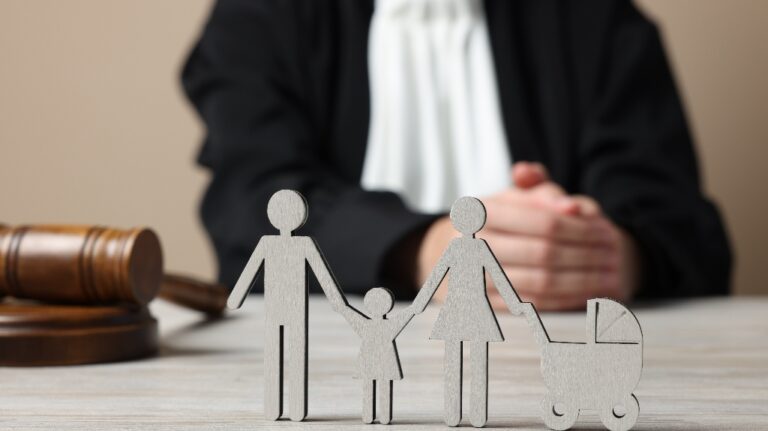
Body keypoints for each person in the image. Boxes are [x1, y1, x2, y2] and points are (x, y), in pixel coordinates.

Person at [182, 0, 732, 310]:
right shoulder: (257, 18)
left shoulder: (602, 23)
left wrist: (604, 254)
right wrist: (425, 252)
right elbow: (250, 209)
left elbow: (684, 229)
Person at [227, 190, 345, 422]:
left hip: (295, 309)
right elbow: (250, 271)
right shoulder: (268, 244)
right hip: (276, 309)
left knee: (294, 355)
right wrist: (236, 297)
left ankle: (296, 407)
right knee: (275, 357)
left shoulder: (304, 244)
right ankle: (276, 407)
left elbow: (323, 275)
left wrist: (337, 300)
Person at [412, 196, 526, 427]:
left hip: (475, 309)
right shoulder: (457, 247)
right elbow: (437, 275)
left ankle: (476, 413)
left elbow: (498, 277)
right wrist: (420, 302)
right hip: (458, 308)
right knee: (455, 360)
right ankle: (454, 411)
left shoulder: (479, 247)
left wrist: (515, 303)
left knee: (476, 361)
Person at [329, 287, 416, 425]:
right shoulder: (385, 325)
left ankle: (374, 415)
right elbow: (412, 310)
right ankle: (377, 416)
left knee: (373, 386)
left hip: (375, 360)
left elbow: (344, 309)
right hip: (377, 360)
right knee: (376, 386)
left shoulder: (369, 324)